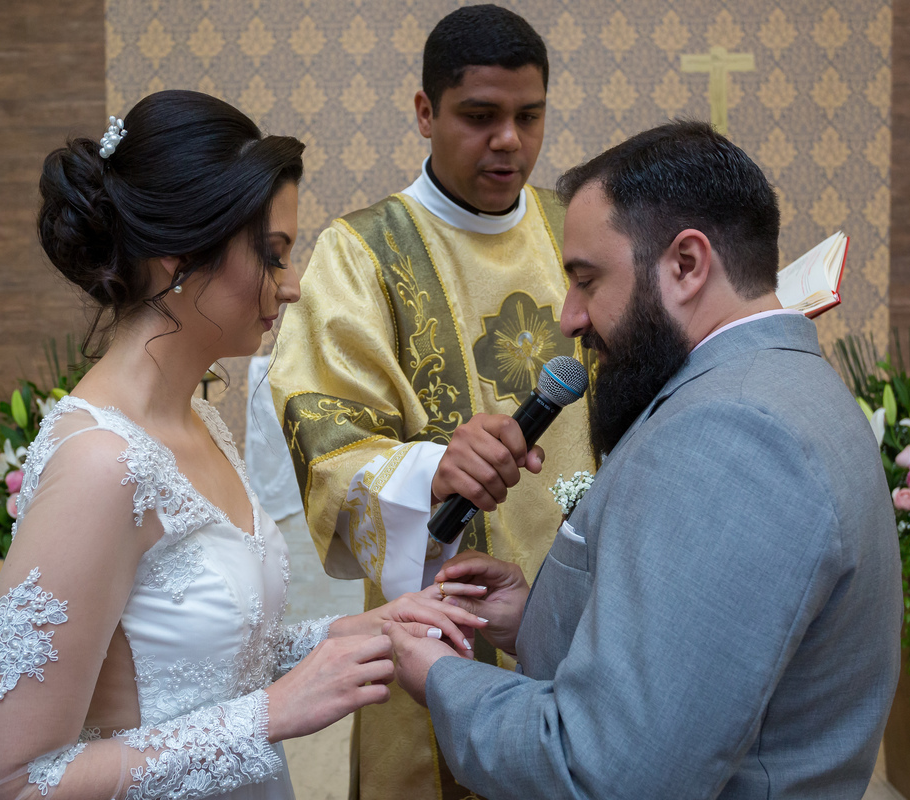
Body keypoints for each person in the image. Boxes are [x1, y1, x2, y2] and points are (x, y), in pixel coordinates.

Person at [0, 90, 483, 800]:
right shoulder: (101, 463)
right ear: (178, 255)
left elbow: (210, 663)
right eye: (273, 255)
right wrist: (268, 717)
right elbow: (6, 783)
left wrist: (359, 632)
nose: (292, 287)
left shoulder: (200, 422)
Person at [385, 121, 904, 799]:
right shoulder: (781, 383)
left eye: (587, 280)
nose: (570, 318)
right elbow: (712, 656)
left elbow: (608, 773)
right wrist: (543, 615)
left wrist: (439, 677)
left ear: (686, 265)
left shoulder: (733, 434)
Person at [269, 6, 596, 798]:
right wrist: (432, 468)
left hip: (591, 604)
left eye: (529, 116)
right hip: (443, 615)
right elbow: (325, 433)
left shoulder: (578, 231)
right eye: (480, 116)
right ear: (425, 111)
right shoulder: (362, 251)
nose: (508, 140)